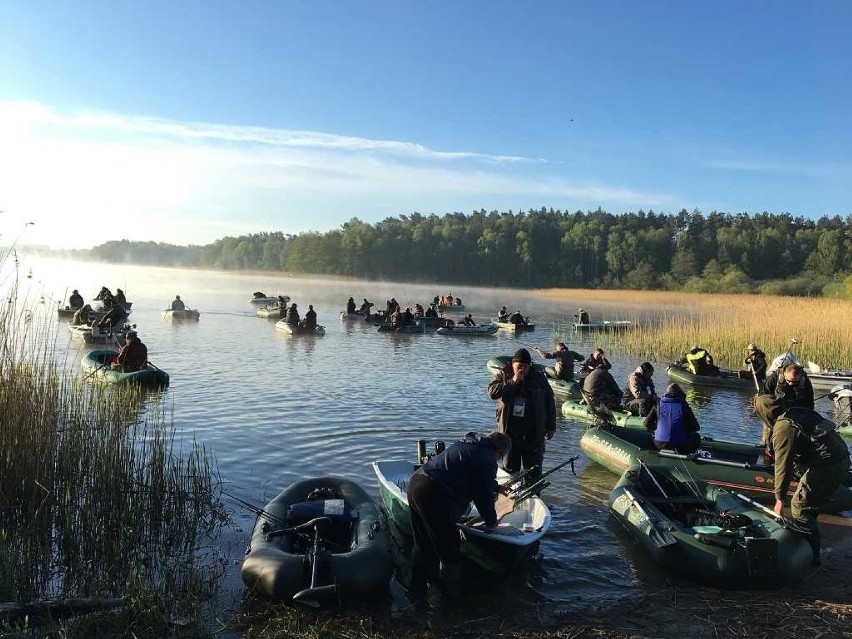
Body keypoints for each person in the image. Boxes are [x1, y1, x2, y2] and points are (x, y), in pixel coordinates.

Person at [406, 431, 513, 609]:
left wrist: (497, 486)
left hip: (416, 484)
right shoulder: (486, 458)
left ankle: (415, 590)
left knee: (422, 542)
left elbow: (467, 474)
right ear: (500, 452)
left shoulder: (470, 445)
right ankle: (451, 596)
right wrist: (491, 521)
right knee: (450, 546)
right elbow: (482, 496)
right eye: (501, 457)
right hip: (433, 493)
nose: (498, 460)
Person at [760, 400, 850, 565]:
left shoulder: (783, 427)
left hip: (828, 463)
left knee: (800, 507)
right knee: (808, 503)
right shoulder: (798, 412)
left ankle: (811, 556)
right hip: (840, 456)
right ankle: (810, 544)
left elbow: (783, 465)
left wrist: (779, 498)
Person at [486, 348, 556, 482]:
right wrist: (513, 381)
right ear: (513, 365)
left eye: (525, 366)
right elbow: (492, 393)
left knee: (533, 474)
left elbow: (550, 403)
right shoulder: (503, 375)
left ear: (530, 366)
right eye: (519, 366)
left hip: (533, 435)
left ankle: (534, 498)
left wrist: (551, 426)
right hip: (509, 436)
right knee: (510, 476)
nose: (522, 369)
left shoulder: (539, 378)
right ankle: (510, 500)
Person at [755, 363, 815, 448]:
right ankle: (766, 445)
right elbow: (764, 394)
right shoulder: (775, 376)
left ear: (800, 376)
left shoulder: (805, 381)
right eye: (789, 381)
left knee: (789, 433)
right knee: (769, 431)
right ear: (784, 373)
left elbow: (810, 403)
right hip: (776, 408)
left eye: (794, 382)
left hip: (795, 410)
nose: (791, 384)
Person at [644, 383, 701, 454]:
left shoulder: (658, 404)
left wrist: (657, 428)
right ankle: (689, 456)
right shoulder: (684, 405)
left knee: (653, 433)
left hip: (659, 444)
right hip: (680, 445)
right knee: (697, 437)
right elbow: (695, 427)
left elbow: (646, 424)